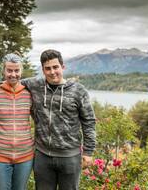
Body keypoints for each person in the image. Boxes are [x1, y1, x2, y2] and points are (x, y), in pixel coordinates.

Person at [22, 49, 96, 190]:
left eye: (55, 67)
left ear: (63, 67)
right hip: (42, 156)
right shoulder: (35, 85)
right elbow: (10, 82)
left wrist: (88, 151)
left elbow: (89, 121)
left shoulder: (78, 91)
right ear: (43, 70)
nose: (52, 72)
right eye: (47, 68)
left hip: (70, 157)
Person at [0, 53, 34, 190]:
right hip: (0, 156)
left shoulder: (29, 94)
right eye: (9, 70)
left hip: (25, 155)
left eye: (16, 70)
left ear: (21, 71)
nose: (13, 74)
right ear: (3, 71)